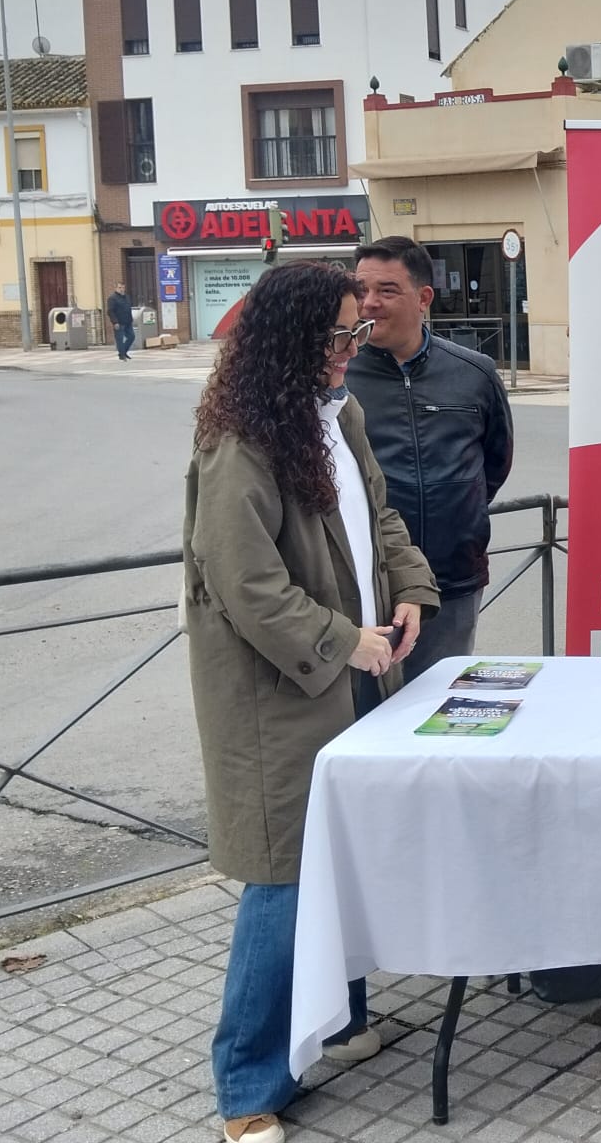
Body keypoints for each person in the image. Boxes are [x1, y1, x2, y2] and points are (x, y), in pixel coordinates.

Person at [183, 261, 438, 1143]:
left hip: (355, 674)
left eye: (356, 332)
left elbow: (385, 520)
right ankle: (246, 1089)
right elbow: (243, 582)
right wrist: (343, 638)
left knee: (347, 853)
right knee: (284, 876)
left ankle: (338, 1021)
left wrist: (407, 592)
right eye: (336, 334)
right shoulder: (240, 442)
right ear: (291, 342)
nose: (351, 347)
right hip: (281, 698)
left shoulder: (340, 415)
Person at [348, 236, 515, 691]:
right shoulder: (339, 373)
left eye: (387, 290)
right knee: (366, 722)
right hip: (366, 582)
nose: (369, 304)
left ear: (424, 297)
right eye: (361, 290)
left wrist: (460, 510)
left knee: (435, 711)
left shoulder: (474, 372)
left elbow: (494, 463)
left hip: (451, 578)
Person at [107, 281, 135, 361]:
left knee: (131, 337)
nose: (122, 289)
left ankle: (123, 352)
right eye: (120, 288)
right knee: (120, 339)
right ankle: (122, 355)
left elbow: (128, 308)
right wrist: (115, 322)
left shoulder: (127, 297)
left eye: (123, 288)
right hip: (119, 322)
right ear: (116, 288)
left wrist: (131, 319)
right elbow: (110, 311)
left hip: (128, 321)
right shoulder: (112, 298)